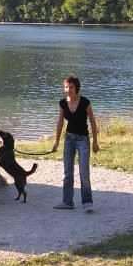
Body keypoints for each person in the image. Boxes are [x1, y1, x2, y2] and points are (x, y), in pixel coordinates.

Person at [51, 76, 100, 213]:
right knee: (68, 172)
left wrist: (95, 141)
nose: (68, 89)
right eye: (66, 87)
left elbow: (93, 122)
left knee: (84, 173)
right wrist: (56, 142)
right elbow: (60, 122)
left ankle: (87, 202)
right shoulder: (62, 103)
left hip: (83, 139)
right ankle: (67, 202)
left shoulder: (85, 102)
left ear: (76, 88)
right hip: (69, 139)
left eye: (71, 87)